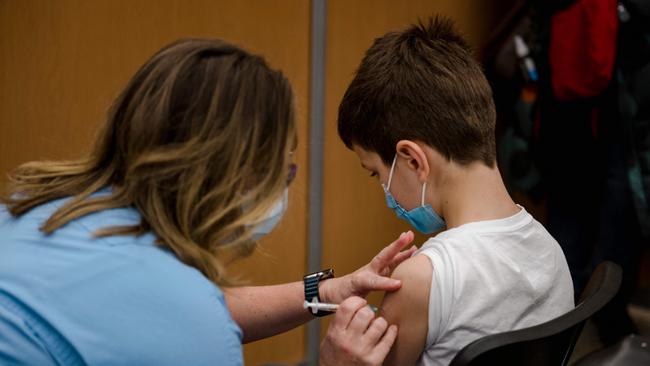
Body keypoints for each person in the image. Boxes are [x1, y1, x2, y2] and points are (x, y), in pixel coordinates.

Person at [0, 39, 415, 365]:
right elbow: (183, 315)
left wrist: (327, 291)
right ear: (239, 178)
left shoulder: (39, 209)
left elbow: (178, 306)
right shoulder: (189, 326)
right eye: (282, 173)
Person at [336, 17, 575, 365]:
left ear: (413, 160)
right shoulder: (552, 253)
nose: (384, 191)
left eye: (376, 174)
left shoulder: (422, 281)